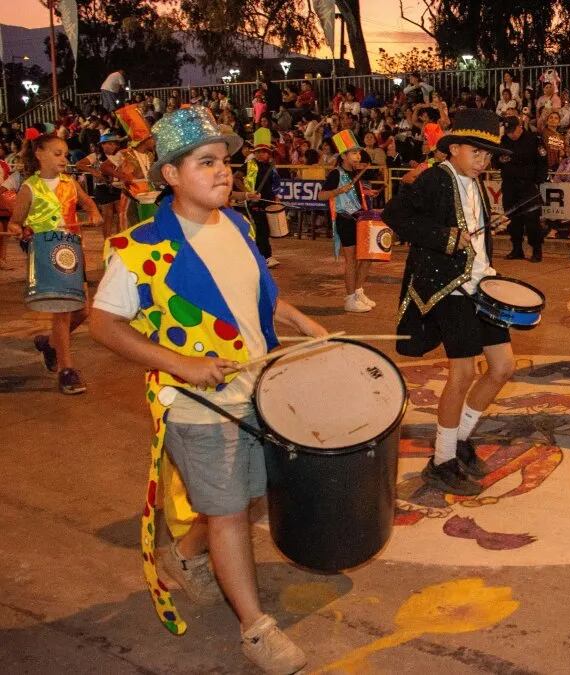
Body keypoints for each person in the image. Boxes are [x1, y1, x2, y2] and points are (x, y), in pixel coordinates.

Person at [89, 107, 327, 673]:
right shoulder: (139, 247)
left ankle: (185, 556)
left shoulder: (240, 227)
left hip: (256, 387)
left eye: (225, 161)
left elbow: (255, 299)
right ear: (170, 175)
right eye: (206, 162)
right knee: (228, 513)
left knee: (240, 496)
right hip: (195, 401)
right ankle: (256, 629)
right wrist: (180, 364)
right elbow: (103, 326)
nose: (224, 172)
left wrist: (298, 320)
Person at [382, 109, 514, 496]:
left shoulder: (476, 183)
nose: (484, 160)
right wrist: (444, 237)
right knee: (463, 373)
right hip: (448, 287)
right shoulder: (436, 178)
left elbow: (475, 234)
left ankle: (459, 439)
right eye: (477, 152)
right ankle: (441, 461)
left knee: (503, 367)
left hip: (481, 285)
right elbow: (395, 215)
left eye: (488, 155)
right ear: (453, 148)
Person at [7, 132, 102, 395]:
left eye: (65, 154)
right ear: (39, 154)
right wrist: (17, 228)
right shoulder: (29, 187)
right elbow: (16, 220)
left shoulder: (70, 183)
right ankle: (66, 370)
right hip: (47, 253)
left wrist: (93, 213)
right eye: (57, 153)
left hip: (72, 250)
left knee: (82, 310)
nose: (64, 158)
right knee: (62, 310)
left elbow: (87, 202)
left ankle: (49, 345)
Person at [318, 130, 379, 313]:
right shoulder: (336, 174)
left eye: (358, 152)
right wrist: (338, 191)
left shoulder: (355, 173)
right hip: (346, 219)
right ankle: (350, 298)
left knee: (367, 257)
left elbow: (354, 193)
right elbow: (321, 195)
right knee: (351, 260)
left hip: (360, 218)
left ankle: (359, 291)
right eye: (353, 152)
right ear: (343, 156)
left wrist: (367, 193)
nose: (358, 155)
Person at [498, 115, 548, 261]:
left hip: (528, 186)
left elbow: (543, 161)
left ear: (520, 127)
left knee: (532, 219)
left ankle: (536, 250)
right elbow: (496, 159)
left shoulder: (534, 139)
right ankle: (516, 249)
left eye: (513, 131)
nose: (511, 134)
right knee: (513, 220)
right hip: (510, 186)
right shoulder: (504, 141)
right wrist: (500, 160)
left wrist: (538, 180)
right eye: (508, 131)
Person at [241, 128, 282, 267]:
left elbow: (275, 183)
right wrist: (246, 193)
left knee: (265, 229)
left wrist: (276, 197)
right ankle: (266, 256)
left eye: (264, 151)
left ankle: (260, 255)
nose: (260, 154)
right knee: (262, 228)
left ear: (268, 153)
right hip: (255, 202)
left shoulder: (271, 167)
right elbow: (236, 178)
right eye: (258, 151)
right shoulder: (249, 165)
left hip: (268, 202)